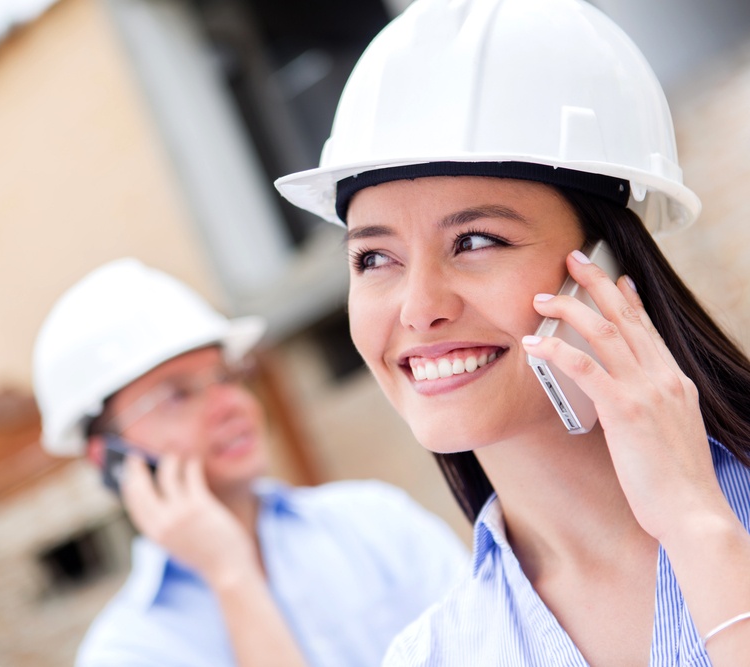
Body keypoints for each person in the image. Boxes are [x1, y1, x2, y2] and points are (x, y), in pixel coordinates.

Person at [274, 0, 750, 665]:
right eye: (374, 257)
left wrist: (699, 530)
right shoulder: (432, 654)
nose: (418, 309)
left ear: (604, 265)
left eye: (475, 240)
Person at [31, 258, 469, 667]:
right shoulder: (129, 651)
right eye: (177, 394)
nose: (231, 405)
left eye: (226, 377)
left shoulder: (375, 524)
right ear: (110, 458)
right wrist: (229, 574)